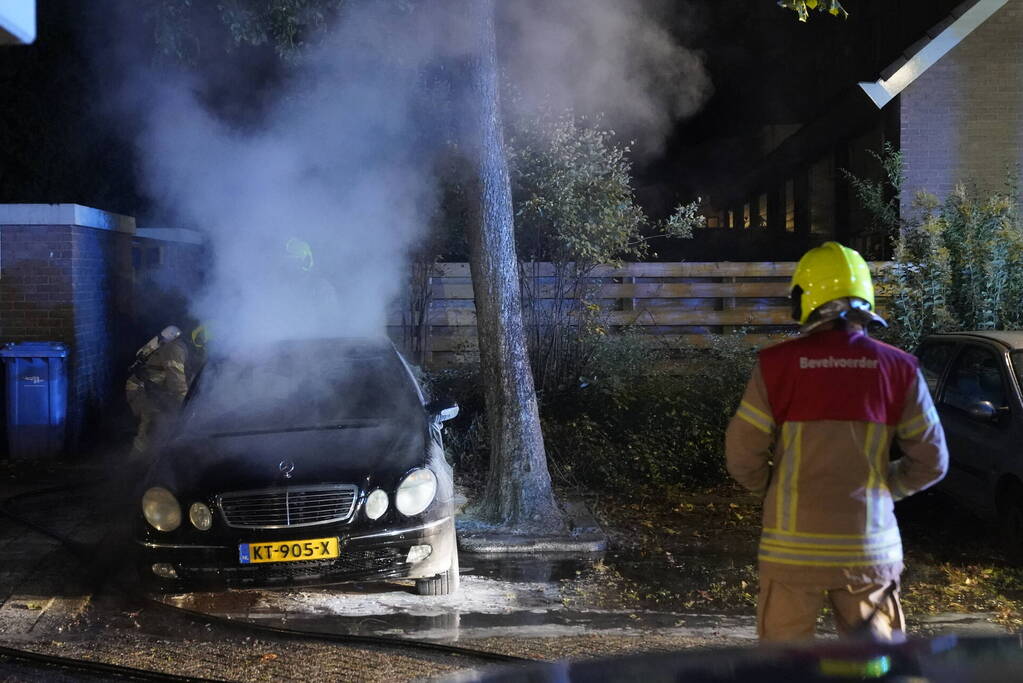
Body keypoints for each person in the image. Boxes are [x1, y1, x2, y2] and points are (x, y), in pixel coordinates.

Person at [725, 241, 948, 643]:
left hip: (791, 552)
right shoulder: (900, 369)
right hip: (869, 551)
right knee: (875, 668)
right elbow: (932, 460)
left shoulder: (776, 367)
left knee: (784, 672)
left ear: (805, 298)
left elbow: (743, 458)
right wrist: (885, 487)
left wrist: (773, 490)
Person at [125, 325, 189, 462]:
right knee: (151, 425)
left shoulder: (174, 347)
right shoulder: (174, 349)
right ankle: (135, 465)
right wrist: (186, 406)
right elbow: (176, 382)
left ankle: (153, 461)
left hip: (152, 389)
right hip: (142, 390)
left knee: (164, 423)